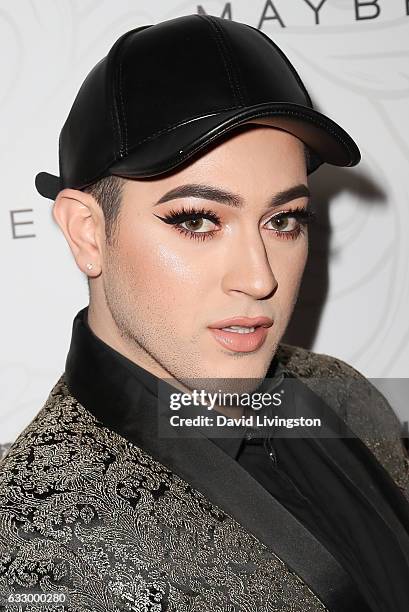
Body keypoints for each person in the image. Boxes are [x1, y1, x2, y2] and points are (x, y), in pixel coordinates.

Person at [1, 13, 409, 612]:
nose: (260, 277)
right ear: (89, 233)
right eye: (197, 220)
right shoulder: (38, 539)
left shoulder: (340, 390)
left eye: (284, 219)